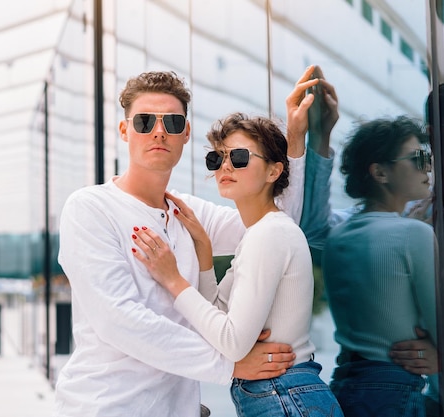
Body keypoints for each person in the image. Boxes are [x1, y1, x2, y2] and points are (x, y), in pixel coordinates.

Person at [54, 68, 321, 417]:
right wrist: (229, 364)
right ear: (124, 130)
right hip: (105, 407)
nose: (159, 132)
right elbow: (117, 319)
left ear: (186, 134)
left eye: (173, 123)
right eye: (145, 122)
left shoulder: (188, 213)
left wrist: (294, 141)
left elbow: (275, 216)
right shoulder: (90, 208)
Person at [131, 112, 343, 416]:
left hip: (283, 395)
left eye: (239, 157)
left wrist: (173, 279)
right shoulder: (259, 234)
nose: (225, 166)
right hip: (282, 395)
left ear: (273, 171)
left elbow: (231, 342)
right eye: (218, 159)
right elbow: (214, 318)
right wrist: (204, 250)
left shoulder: (270, 234)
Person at [299, 82, 442, 415]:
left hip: (345, 385)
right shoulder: (413, 232)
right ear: (380, 172)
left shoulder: (339, 236)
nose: (427, 167)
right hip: (396, 388)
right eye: (418, 158)